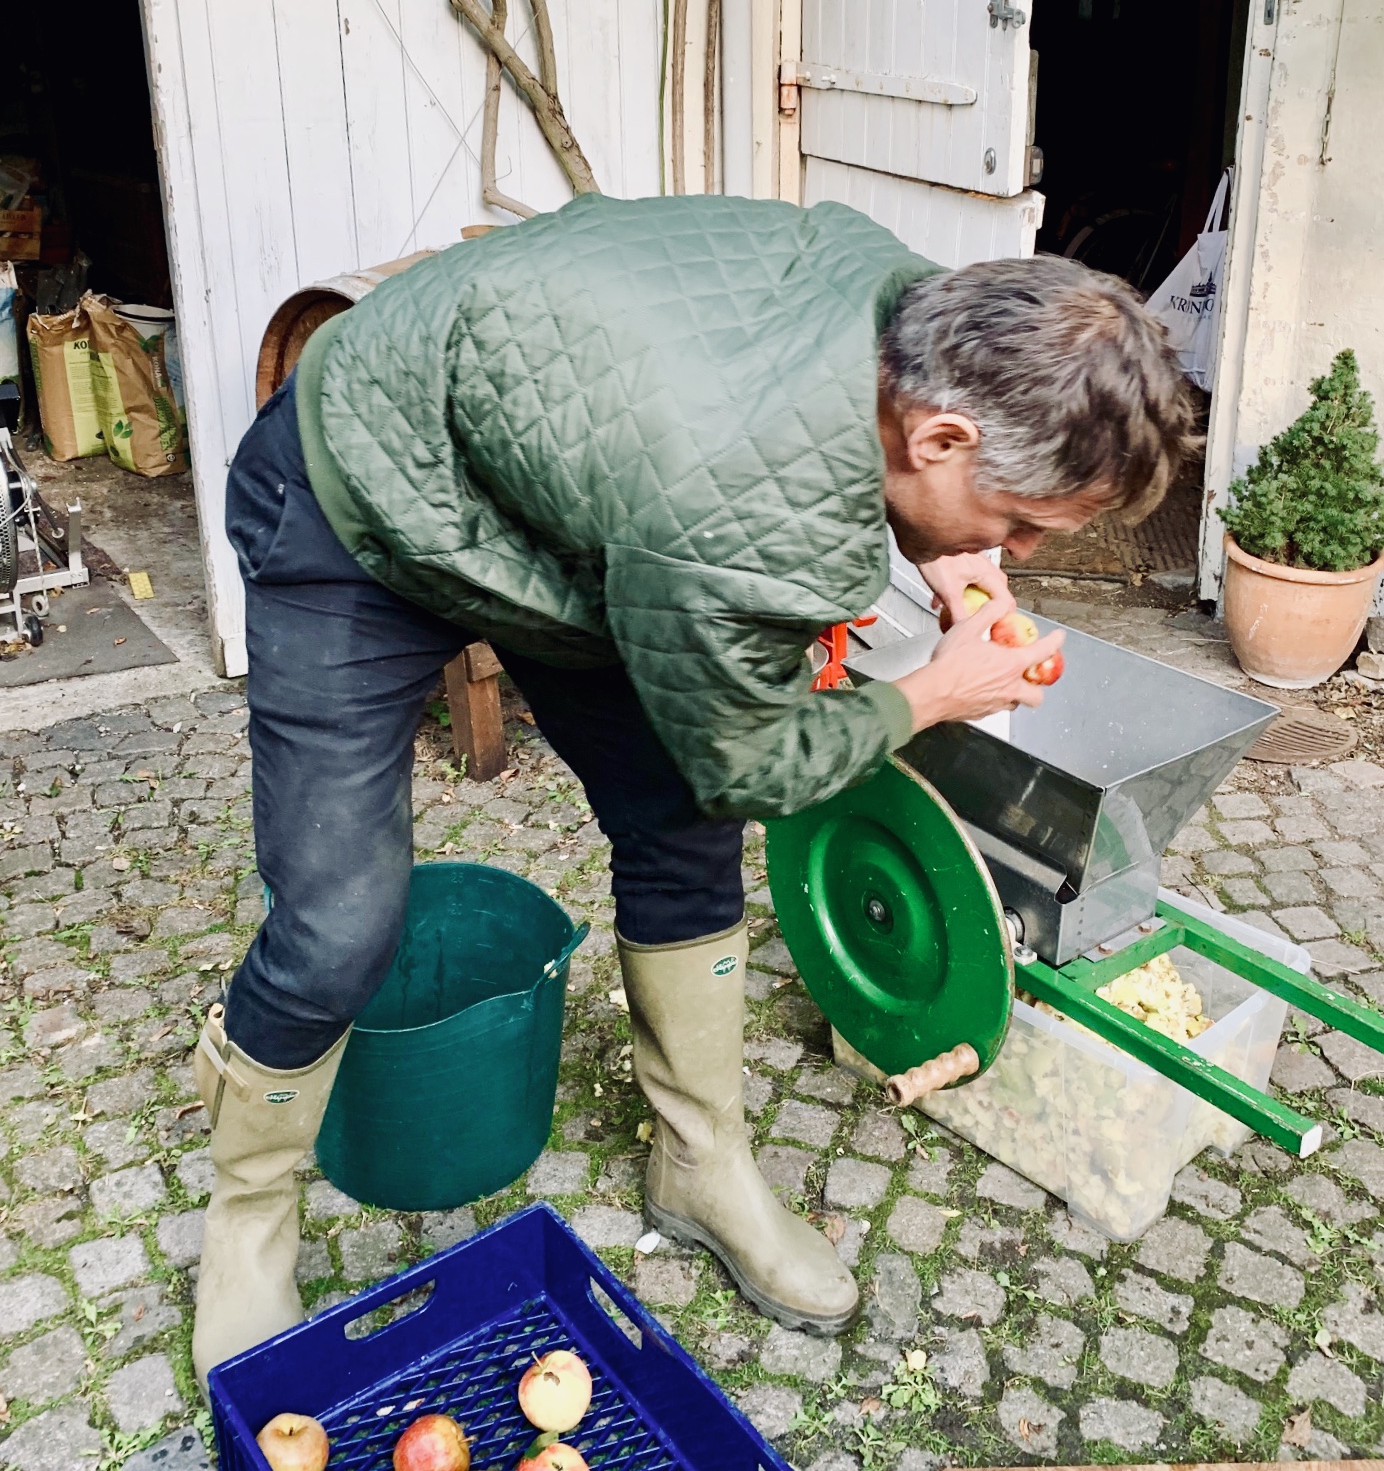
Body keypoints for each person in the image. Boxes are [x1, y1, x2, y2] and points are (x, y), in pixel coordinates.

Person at [190, 195, 1194, 1384]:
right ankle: (247, 1218)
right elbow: (752, 761)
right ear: (938, 438)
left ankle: (699, 1162)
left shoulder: (924, 320)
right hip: (354, 495)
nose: (1017, 555)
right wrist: (933, 692)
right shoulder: (736, 494)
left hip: (570, 520)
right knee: (337, 923)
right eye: (1016, 526)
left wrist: (958, 542)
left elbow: (710, 736)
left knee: (677, 822)